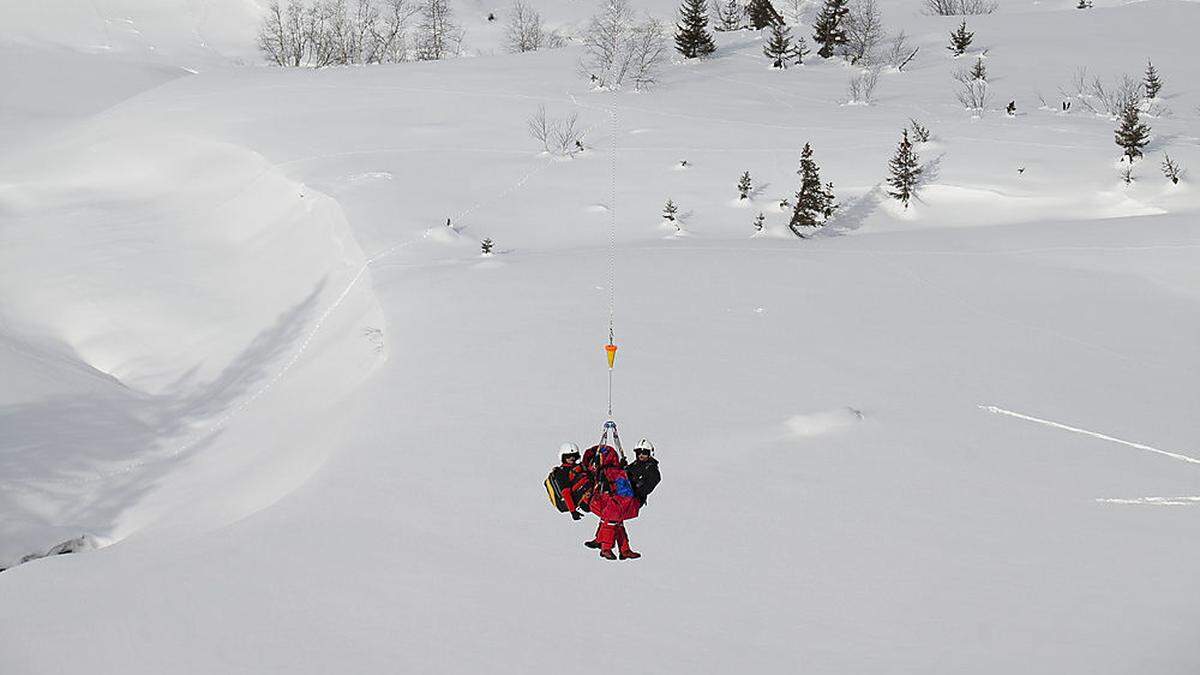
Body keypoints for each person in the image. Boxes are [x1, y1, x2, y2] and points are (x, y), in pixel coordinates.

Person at [582, 444, 641, 560]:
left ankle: (606, 547)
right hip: (620, 502)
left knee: (611, 522)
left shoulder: (605, 471)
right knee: (615, 523)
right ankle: (621, 549)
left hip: (613, 501)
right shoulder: (616, 470)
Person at [550, 443, 591, 520]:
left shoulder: (579, 467)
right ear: (563, 457)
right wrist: (573, 511)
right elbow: (566, 493)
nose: (571, 458)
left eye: (574, 455)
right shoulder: (561, 473)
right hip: (578, 500)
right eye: (568, 456)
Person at [625, 439, 661, 506]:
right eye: (638, 452)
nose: (641, 455)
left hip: (634, 500)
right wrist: (623, 467)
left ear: (650, 454)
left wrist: (634, 490)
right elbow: (622, 474)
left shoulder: (652, 470)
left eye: (644, 453)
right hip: (624, 493)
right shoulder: (635, 465)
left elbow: (648, 487)